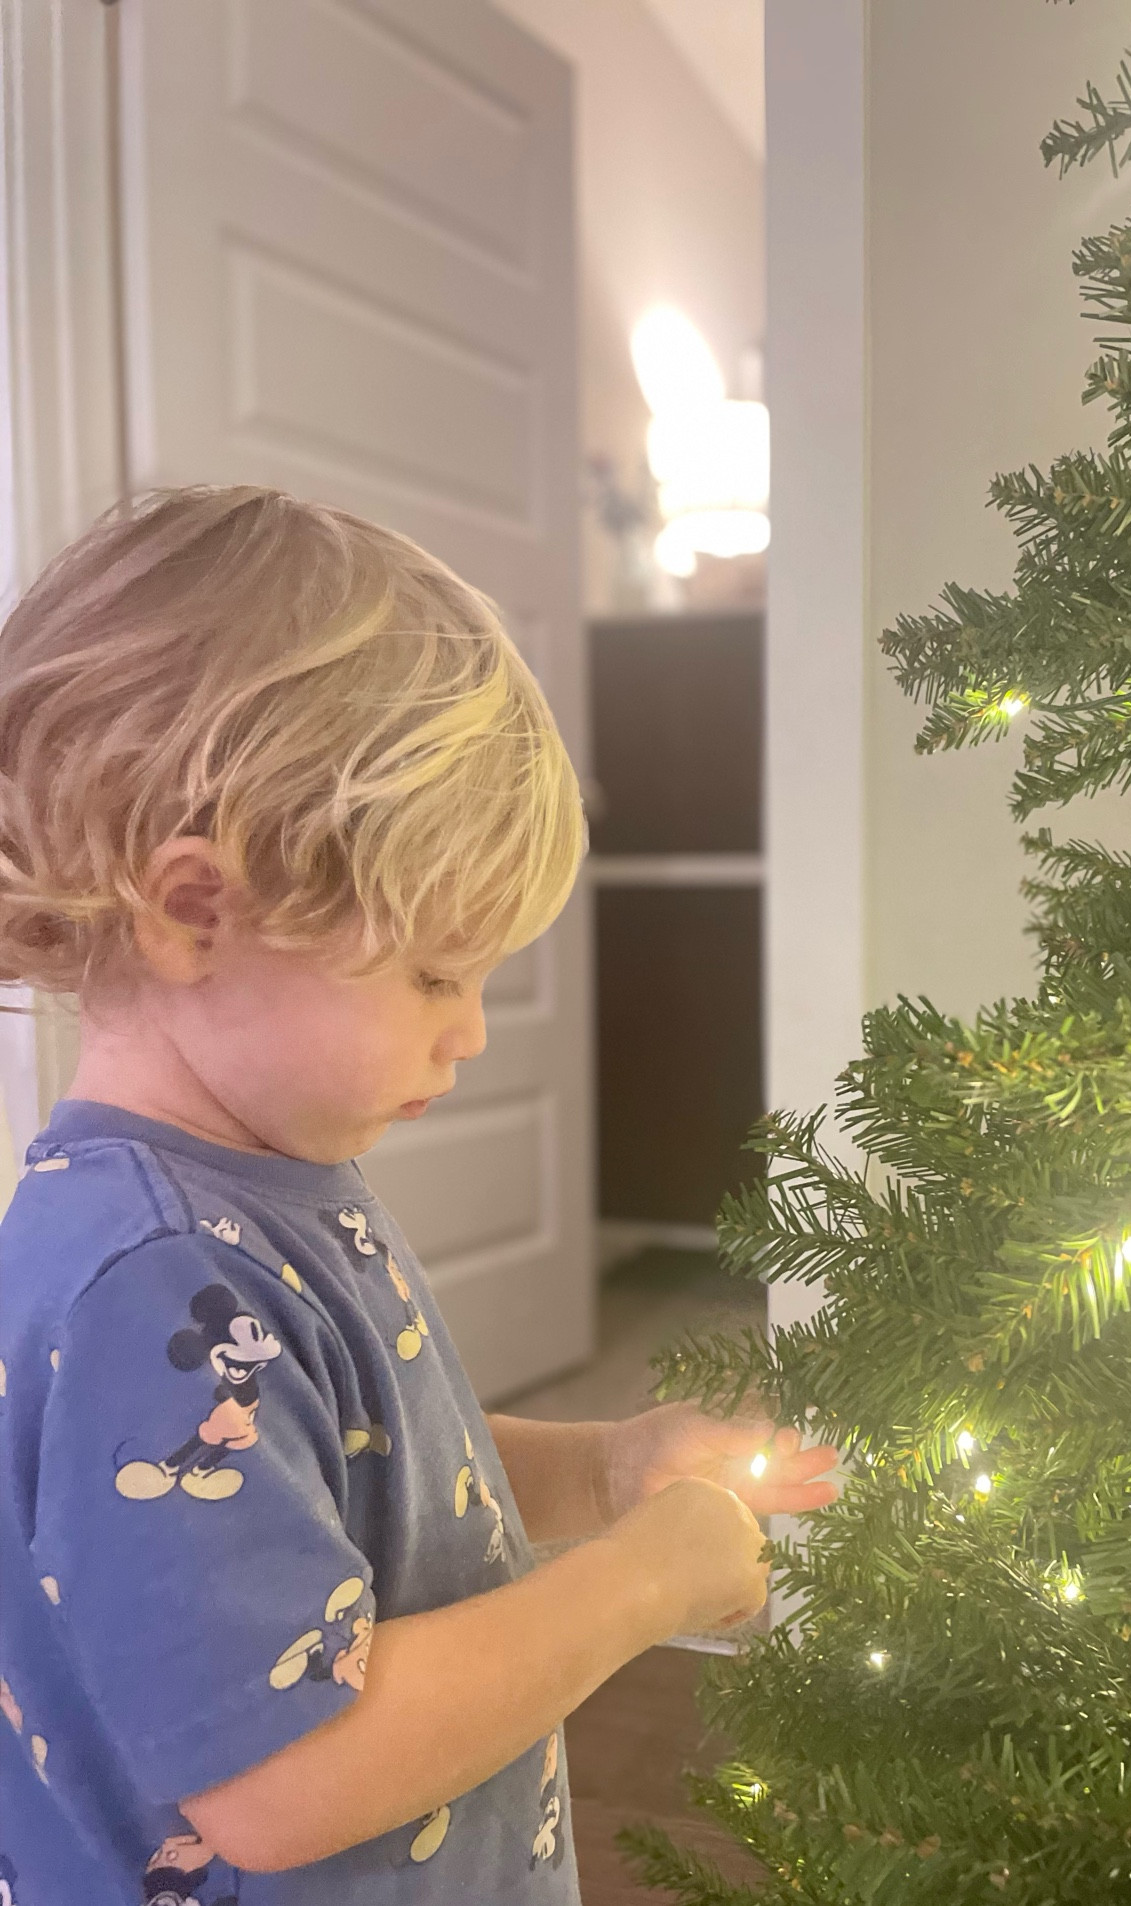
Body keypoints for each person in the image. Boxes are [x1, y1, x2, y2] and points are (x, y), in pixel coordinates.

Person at [0, 487, 840, 1902]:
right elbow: (286, 1776)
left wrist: (601, 1470)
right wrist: (644, 1580)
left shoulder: (268, 1190)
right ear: (196, 911)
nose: (472, 1031)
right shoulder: (150, 1274)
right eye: (436, 974)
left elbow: (352, 1481)